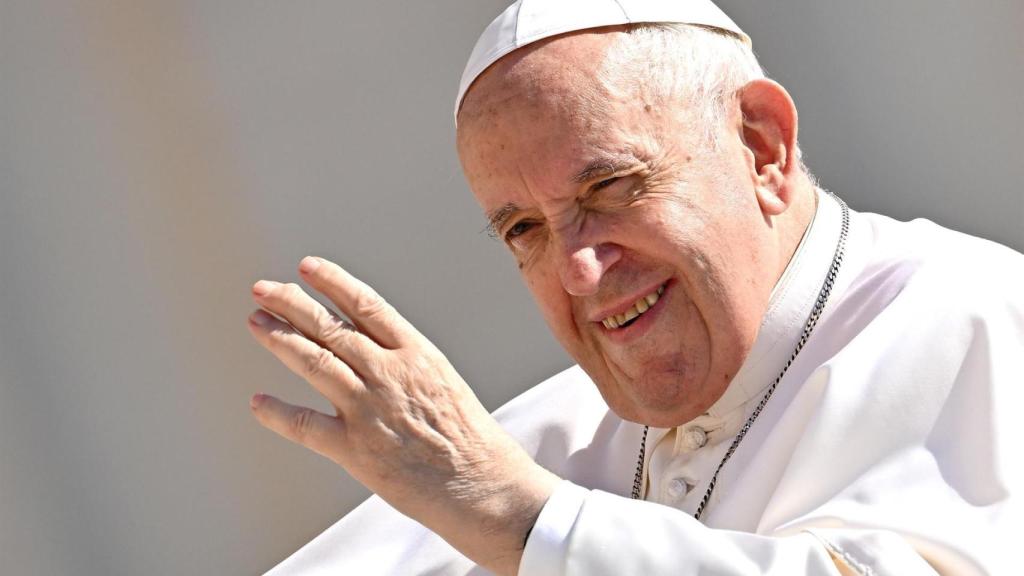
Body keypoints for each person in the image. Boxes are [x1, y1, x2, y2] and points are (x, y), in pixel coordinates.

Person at [246, 1, 1023, 574]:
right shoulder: (542, 439)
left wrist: (520, 518)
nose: (580, 270)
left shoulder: (972, 318)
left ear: (762, 148)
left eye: (611, 188)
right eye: (526, 231)